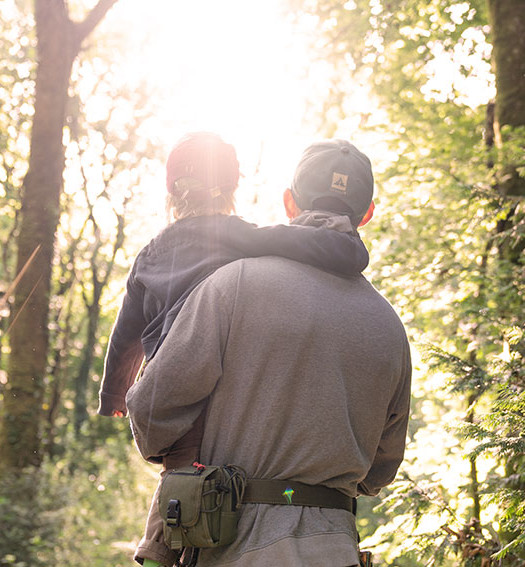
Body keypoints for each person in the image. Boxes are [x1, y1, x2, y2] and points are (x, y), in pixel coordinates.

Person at [126, 139, 412, 567]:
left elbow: (152, 412)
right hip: (336, 550)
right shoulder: (390, 327)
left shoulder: (231, 285)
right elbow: (380, 470)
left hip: (231, 545)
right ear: (368, 213)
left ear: (289, 203)